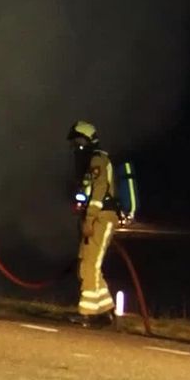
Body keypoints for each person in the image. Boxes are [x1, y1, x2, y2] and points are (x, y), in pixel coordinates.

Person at [67, 120, 117, 326]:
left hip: (101, 217)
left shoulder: (97, 160)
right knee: (88, 265)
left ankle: (88, 313)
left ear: (86, 140)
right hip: (96, 216)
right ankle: (106, 311)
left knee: (90, 266)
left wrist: (89, 219)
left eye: (77, 141)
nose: (75, 147)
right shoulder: (90, 161)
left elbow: (98, 191)